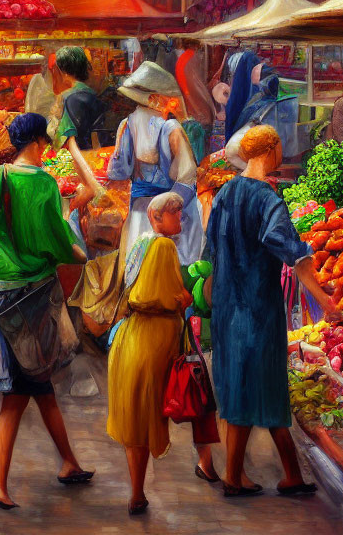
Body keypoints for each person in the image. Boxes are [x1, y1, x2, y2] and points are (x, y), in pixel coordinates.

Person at [0, 113, 92, 510]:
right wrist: (76, 252)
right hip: (38, 298)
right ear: (38, 143)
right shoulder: (47, 185)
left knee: (37, 381)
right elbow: (60, 241)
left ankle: (68, 461)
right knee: (25, 385)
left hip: (3, 295)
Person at [207, 125, 341, 498]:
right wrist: (326, 302)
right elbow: (294, 256)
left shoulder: (225, 193)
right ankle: (254, 476)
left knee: (241, 387)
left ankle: (253, 476)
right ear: (271, 150)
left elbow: (211, 249)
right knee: (267, 386)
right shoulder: (267, 199)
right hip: (257, 309)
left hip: (227, 307)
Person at [107, 192, 193, 515]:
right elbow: (162, 296)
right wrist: (185, 297)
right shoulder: (163, 246)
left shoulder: (141, 244)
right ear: (157, 217)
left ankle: (137, 492)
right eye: (175, 214)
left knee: (135, 423)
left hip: (130, 342)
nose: (179, 219)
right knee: (151, 417)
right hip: (151, 345)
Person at [107, 61, 203, 265]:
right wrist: (169, 209)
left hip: (140, 213)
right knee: (170, 268)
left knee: (142, 266)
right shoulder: (171, 128)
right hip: (169, 215)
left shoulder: (126, 124)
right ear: (157, 100)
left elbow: (118, 172)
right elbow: (187, 174)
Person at [51, 46, 107, 197]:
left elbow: (67, 141)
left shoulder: (67, 97)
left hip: (78, 168)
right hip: (95, 160)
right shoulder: (94, 95)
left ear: (63, 71)